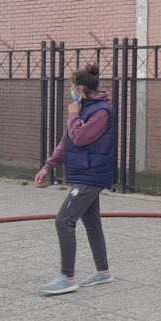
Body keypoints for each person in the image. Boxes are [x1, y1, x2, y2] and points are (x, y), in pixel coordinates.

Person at [34, 63, 117, 296]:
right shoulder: (82, 108)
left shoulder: (102, 111)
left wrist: (73, 113)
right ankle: (103, 272)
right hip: (84, 172)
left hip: (91, 175)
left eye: (72, 87)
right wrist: (48, 165)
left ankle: (67, 277)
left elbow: (79, 137)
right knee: (92, 223)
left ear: (80, 89)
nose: (70, 92)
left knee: (64, 221)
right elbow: (67, 140)